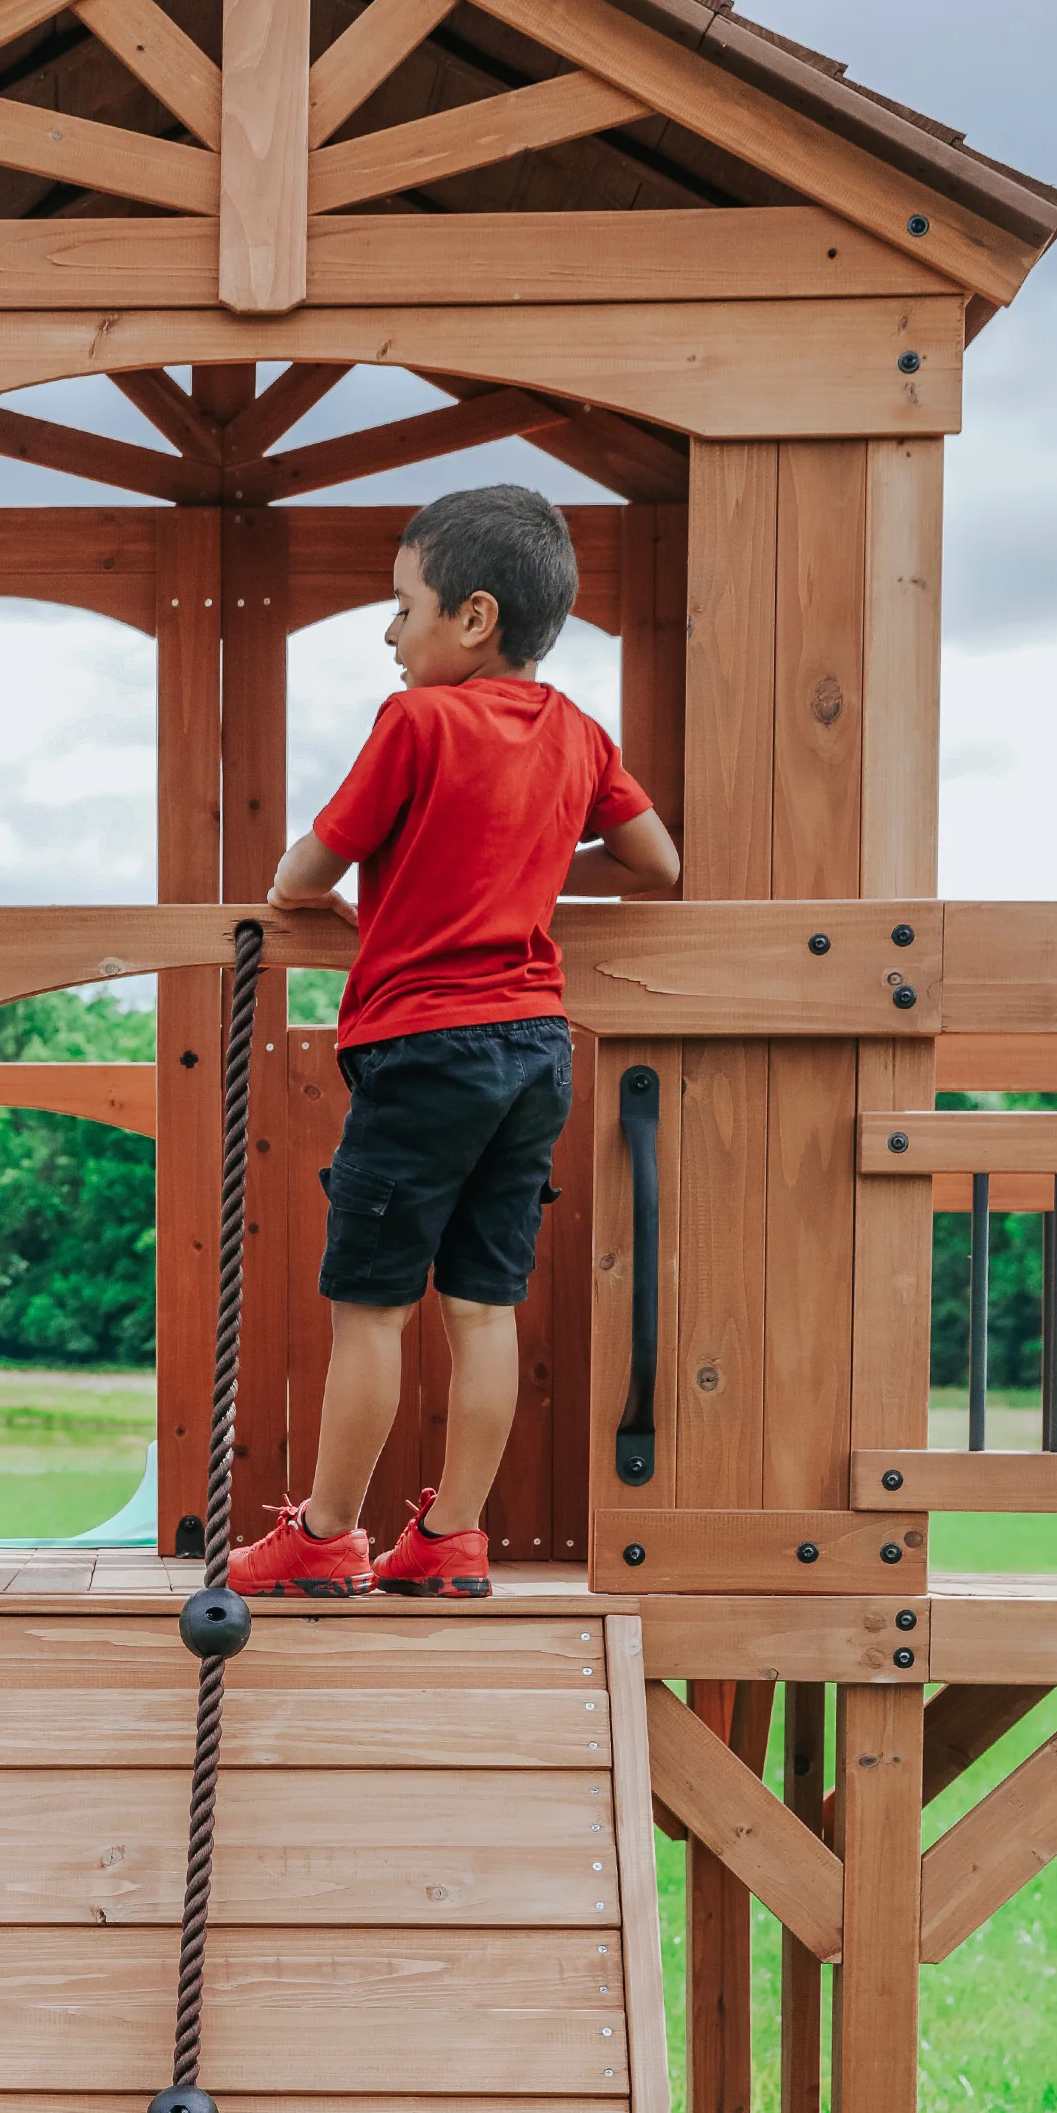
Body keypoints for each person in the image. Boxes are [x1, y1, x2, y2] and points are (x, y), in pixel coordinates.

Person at [230, 484, 680, 1602]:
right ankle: (452, 1538)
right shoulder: (576, 731)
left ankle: (329, 1534)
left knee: (372, 1305)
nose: (390, 633)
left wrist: (372, 892)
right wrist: (524, 873)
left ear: (471, 618)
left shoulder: (416, 724)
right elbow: (654, 863)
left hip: (424, 1049)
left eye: (401, 607)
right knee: (484, 1304)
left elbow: (298, 878)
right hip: (534, 1050)